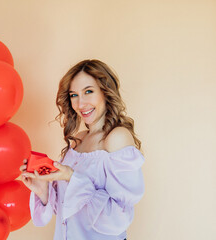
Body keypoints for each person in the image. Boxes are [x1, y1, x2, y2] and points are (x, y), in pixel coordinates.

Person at [20, 59, 145, 240]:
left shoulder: (116, 138)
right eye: (74, 95)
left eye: (88, 91)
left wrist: (71, 177)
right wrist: (42, 189)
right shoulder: (79, 139)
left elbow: (119, 217)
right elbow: (68, 208)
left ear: (105, 92)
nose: (80, 104)